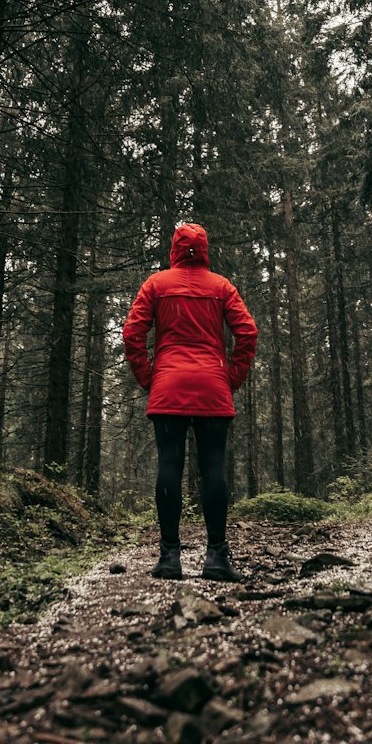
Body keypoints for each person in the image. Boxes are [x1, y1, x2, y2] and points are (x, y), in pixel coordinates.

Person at [122, 223, 258, 581]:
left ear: (175, 248)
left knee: (170, 463)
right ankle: (216, 558)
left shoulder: (156, 284)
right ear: (204, 248)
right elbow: (247, 331)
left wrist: (148, 377)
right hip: (213, 385)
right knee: (213, 466)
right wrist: (233, 378)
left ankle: (169, 558)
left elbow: (133, 332)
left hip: (168, 384)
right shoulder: (222, 287)